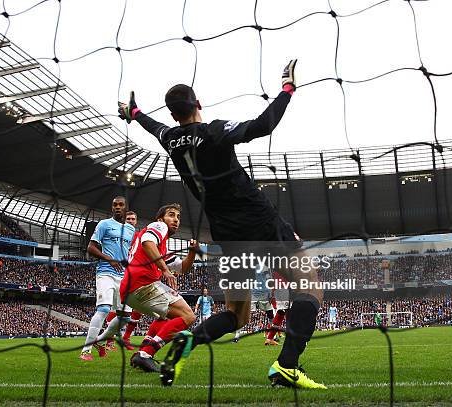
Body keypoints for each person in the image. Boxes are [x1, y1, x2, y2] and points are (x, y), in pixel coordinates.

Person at [118, 60, 326, 388]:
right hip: (260, 222)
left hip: (228, 236)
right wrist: (287, 89)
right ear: (197, 104)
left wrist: (134, 112)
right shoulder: (212, 131)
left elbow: (151, 125)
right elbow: (262, 125)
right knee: (309, 285)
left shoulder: (170, 137)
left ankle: (188, 341)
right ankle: (287, 365)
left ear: (174, 114)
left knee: (237, 315)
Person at [95, 203, 198, 372]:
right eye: (171, 215)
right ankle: (145, 354)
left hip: (131, 288)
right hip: (143, 283)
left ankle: (142, 352)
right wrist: (164, 270)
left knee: (167, 318)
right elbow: (147, 242)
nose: (176, 220)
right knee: (188, 316)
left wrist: (192, 252)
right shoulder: (159, 226)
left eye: (178, 217)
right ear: (160, 218)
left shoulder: (163, 246)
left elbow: (182, 268)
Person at [80, 197, 136, 361]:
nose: (118, 207)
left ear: (126, 208)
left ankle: (99, 340)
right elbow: (90, 248)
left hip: (124, 276)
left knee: (125, 317)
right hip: (105, 273)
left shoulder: (131, 230)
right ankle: (86, 350)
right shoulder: (104, 224)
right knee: (104, 309)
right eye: (115, 205)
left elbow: (131, 254)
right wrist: (109, 258)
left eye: (121, 205)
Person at [105, 210, 142, 351]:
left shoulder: (139, 236)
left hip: (135, 274)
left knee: (139, 307)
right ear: (124, 221)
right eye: (129, 219)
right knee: (118, 308)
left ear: (136, 221)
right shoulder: (119, 235)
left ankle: (126, 337)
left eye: (133, 219)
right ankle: (110, 339)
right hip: (121, 274)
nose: (131, 221)